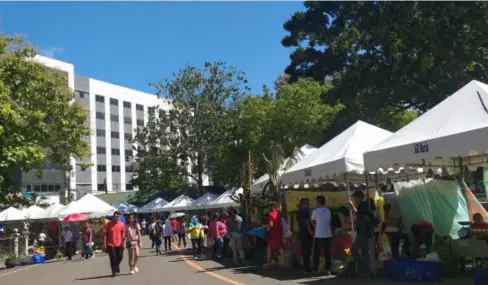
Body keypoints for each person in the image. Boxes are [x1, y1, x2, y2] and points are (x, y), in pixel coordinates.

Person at [349, 190, 376, 279]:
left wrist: (352, 206)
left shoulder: (362, 205)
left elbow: (362, 215)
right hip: (364, 232)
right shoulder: (363, 206)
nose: (355, 199)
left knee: (354, 249)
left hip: (364, 232)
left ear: (360, 197)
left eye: (356, 197)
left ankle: (362, 269)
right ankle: (367, 271)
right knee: (364, 252)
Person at [311, 195, 332, 275]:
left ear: (318, 202)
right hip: (328, 234)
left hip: (319, 235)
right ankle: (327, 269)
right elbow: (328, 222)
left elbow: (313, 222)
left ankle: (315, 269)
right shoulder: (328, 211)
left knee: (316, 253)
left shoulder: (315, 211)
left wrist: (316, 227)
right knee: (328, 253)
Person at [105, 211, 126, 277]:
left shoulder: (122, 224)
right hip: (111, 243)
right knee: (113, 257)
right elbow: (105, 234)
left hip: (119, 243)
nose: (116, 218)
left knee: (120, 256)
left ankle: (117, 266)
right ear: (113, 217)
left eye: (118, 217)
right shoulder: (108, 224)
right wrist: (105, 243)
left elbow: (123, 234)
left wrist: (124, 243)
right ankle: (113, 270)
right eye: (115, 216)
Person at [297, 198, 314, 273]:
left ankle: (305, 267)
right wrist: (312, 233)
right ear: (303, 204)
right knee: (307, 250)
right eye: (306, 203)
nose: (308, 204)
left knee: (304, 250)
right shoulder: (305, 211)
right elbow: (307, 223)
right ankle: (307, 268)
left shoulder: (299, 211)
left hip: (302, 232)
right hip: (306, 233)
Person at [265, 201, 284, 268]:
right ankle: (283, 263)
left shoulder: (271, 214)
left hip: (273, 233)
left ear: (272, 207)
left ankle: (268, 264)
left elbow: (271, 224)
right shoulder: (280, 213)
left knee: (269, 248)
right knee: (280, 247)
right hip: (279, 232)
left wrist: (266, 227)